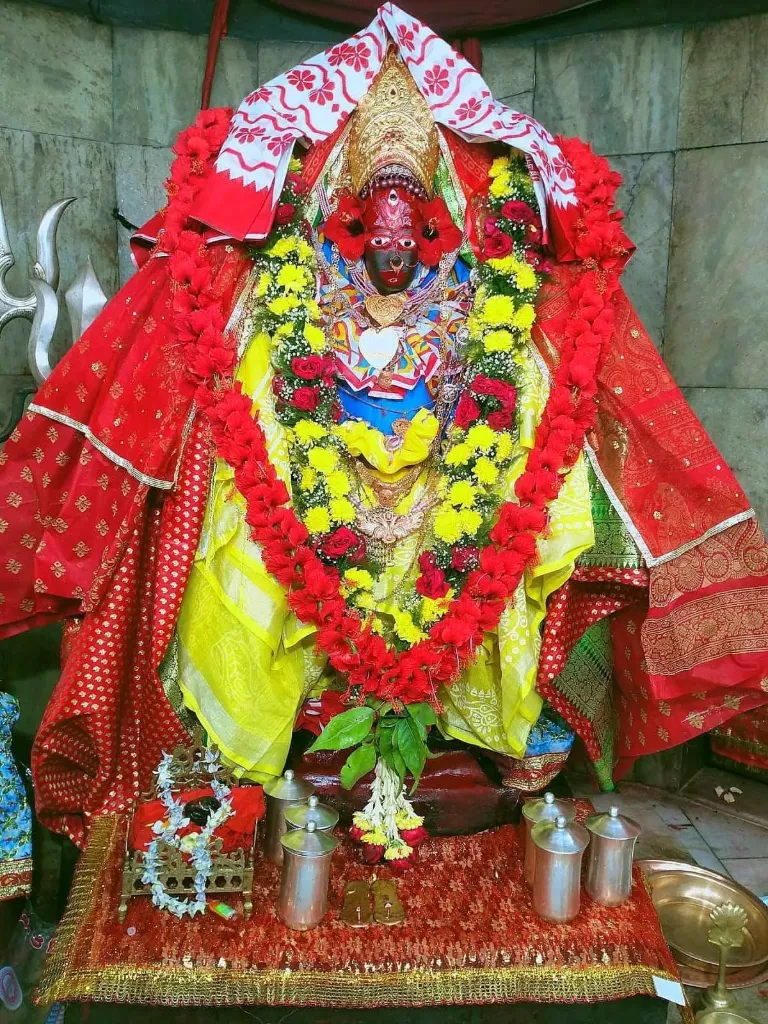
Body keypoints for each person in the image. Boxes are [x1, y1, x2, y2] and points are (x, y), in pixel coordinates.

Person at [1, 5, 767, 859]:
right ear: (357, 226)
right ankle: (269, 736)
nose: (395, 254)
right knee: (248, 511)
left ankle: (486, 729)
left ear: (433, 227)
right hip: (318, 459)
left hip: (443, 468)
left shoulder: (471, 281)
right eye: (381, 236)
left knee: (521, 488)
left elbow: (500, 351)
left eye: (412, 236)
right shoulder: (308, 277)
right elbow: (270, 361)